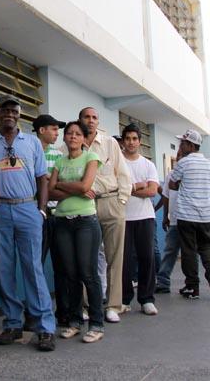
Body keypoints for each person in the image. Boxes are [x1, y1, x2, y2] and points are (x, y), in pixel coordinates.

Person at [0, 94, 57, 352]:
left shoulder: (31, 142)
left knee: (32, 268)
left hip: (28, 208)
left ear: (19, 115)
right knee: (4, 269)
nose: (10, 113)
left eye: (14, 110)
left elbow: (42, 179)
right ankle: (11, 323)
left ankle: (44, 328)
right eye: (5, 109)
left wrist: (40, 210)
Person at [74, 107, 132, 323]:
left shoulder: (109, 144)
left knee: (114, 256)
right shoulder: (72, 145)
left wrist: (122, 202)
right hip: (84, 204)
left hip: (111, 202)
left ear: (98, 122)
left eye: (94, 117)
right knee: (86, 257)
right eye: (86, 117)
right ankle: (90, 305)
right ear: (79, 120)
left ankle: (113, 305)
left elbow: (124, 174)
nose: (90, 121)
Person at [48, 121, 104, 343]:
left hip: (85, 222)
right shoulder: (60, 161)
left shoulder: (91, 158)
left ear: (83, 138)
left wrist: (63, 185)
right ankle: (75, 321)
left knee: (88, 274)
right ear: (64, 137)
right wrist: (76, 188)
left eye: (77, 134)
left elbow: (85, 185)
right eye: (69, 133)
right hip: (62, 221)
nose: (72, 136)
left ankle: (97, 324)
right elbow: (51, 191)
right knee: (70, 275)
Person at [33, 114, 69, 327]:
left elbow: (60, 185)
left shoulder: (59, 156)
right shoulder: (28, 152)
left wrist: (47, 181)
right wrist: (47, 180)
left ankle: (63, 313)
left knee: (62, 266)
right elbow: (34, 184)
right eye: (53, 129)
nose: (57, 133)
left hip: (59, 215)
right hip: (38, 215)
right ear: (41, 130)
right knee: (35, 265)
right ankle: (34, 314)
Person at [120, 123, 159, 316]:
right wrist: (138, 186)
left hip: (145, 217)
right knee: (124, 261)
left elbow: (152, 191)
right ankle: (125, 299)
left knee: (147, 258)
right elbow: (117, 188)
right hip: (123, 218)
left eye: (134, 139)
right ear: (123, 141)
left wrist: (129, 189)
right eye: (128, 138)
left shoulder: (148, 164)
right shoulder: (118, 162)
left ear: (140, 141)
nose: (131, 142)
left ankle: (146, 299)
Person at [169, 129, 210, 299]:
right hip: (206, 216)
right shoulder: (208, 164)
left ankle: (192, 287)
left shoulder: (183, 163)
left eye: (183, 143)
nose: (180, 146)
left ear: (191, 145)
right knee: (206, 249)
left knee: (189, 251)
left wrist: (183, 186)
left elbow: (172, 184)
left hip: (186, 216)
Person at [155, 150, 183, 293]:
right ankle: (163, 282)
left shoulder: (191, 174)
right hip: (174, 221)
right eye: (178, 155)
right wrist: (165, 216)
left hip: (189, 221)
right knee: (170, 251)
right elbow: (165, 196)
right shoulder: (171, 175)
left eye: (181, 155)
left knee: (191, 254)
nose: (179, 157)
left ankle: (192, 283)